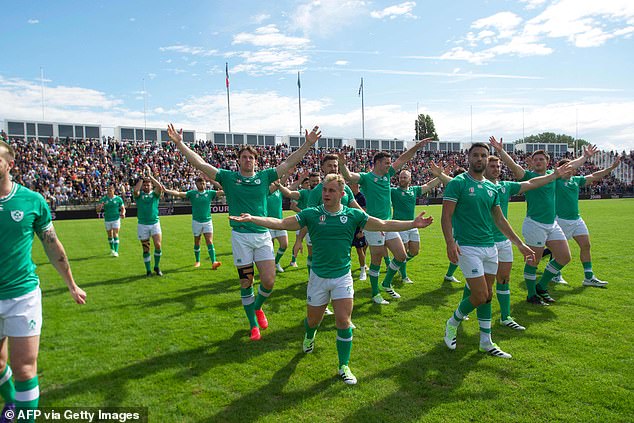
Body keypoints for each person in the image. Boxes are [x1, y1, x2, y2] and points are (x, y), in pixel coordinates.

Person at [230, 174, 434, 384]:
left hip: (342, 278)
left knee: (343, 322)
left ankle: (343, 366)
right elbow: (281, 223)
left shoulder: (353, 215)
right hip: (318, 278)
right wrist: (252, 218)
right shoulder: (312, 214)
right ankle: (310, 336)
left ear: (342, 194)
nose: (326, 194)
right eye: (325, 190)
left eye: (331, 190)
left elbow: (383, 223)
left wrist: (413, 223)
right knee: (313, 321)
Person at [167, 123, 321, 341]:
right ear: (238, 160)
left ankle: (257, 308)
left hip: (262, 234)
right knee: (246, 282)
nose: (248, 160)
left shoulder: (265, 177)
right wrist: (181, 144)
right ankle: (252, 324)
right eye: (244, 157)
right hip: (241, 238)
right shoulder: (229, 178)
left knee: (269, 280)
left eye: (251, 157)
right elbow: (201, 164)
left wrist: (307, 144)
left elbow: (288, 162)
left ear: (256, 161)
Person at [0, 140, 86, 420]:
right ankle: (12, 404)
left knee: (24, 367)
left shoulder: (31, 200)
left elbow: (52, 245)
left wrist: (71, 284)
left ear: (10, 165)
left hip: (21, 295)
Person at [442, 143, 535, 358]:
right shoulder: (458, 183)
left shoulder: (492, 188)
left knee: (487, 295)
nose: (480, 159)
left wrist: (519, 244)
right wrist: (449, 242)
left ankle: (486, 342)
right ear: (469, 158)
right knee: (480, 293)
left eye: (483, 155)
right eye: (476, 155)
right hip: (467, 247)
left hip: (490, 247)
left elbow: (500, 220)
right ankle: (453, 322)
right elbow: (446, 216)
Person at [490, 137, 596, 305]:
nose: (538, 161)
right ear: (531, 162)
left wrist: (585, 157)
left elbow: (572, 166)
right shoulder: (528, 176)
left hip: (552, 224)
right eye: (535, 159)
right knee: (534, 260)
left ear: (548, 162)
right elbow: (514, 167)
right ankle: (531, 294)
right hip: (535, 224)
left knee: (564, 257)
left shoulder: (555, 175)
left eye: (541, 159)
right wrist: (501, 151)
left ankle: (542, 285)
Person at [475, 151, 572, 330]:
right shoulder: (477, 187)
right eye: (492, 166)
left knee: (504, 279)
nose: (496, 169)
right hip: (483, 241)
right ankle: (462, 314)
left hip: (503, 241)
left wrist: (555, 175)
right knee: (481, 286)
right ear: (483, 168)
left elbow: (531, 183)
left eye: (498, 166)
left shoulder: (505, 186)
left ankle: (505, 317)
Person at [339, 139, 432, 304]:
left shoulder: (388, 175)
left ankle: (385, 283)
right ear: (377, 163)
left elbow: (403, 158)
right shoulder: (367, 178)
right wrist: (342, 164)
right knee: (376, 259)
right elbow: (348, 176)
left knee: (401, 255)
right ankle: (375, 293)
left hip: (388, 223)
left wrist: (417, 146)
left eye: (390, 162)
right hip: (373, 224)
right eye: (386, 163)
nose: (390, 165)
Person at [553, 155, 621, 287]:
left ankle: (588, 277)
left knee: (586, 245)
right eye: (567, 168)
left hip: (577, 219)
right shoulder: (556, 180)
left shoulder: (576, 180)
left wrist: (611, 168)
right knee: (559, 251)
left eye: (572, 168)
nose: (571, 170)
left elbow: (595, 175)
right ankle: (556, 275)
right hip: (561, 220)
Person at [390, 169, 442, 284]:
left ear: (410, 179)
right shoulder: (393, 191)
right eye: (400, 177)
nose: (402, 179)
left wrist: (441, 176)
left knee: (415, 251)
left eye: (404, 177)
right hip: (400, 226)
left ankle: (396, 265)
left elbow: (428, 185)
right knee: (402, 253)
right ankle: (404, 276)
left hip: (413, 225)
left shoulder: (414, 190)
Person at [163, 176, 224, 269]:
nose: (202, 185)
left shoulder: (210, 193)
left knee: (209, 241)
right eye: (200, 183)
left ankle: (214, 261)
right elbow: (179, 194)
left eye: (203, 183)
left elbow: (223, 192)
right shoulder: (192, 193)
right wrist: (166, 190)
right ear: (196, 184)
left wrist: (212, 180)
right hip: (196, 221)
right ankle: (197, 261)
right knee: (197, 241)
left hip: (207, 221)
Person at [133, 165, 165, 277]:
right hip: (142, 224)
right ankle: (148, 271)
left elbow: (160, 187)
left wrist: (150, 175)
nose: (146, 186)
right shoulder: (139, 195)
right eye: (145, 185)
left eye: (148, 184)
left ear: (151, 185)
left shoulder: (155, 195)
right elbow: (135, 190)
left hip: (154, 223)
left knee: (158, 245)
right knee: (146, 249)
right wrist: (142, 178)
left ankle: (156, 266)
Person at [289, 172, 320, 267]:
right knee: (299, 241)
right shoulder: (302, 193)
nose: (315, 183)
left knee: (316, 249)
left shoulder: (323, 192)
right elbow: (292, 206)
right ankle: (293, 260)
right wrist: (305, 213)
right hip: (302, 221)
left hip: (317, 224)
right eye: (312, 181)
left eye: (317, 181)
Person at [443, 167, 466, 283]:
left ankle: (449, 275)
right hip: (457, 225)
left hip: (461, 225)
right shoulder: (456, 187)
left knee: (459, 252)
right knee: (460, 251)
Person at [96, 185, 126, 257]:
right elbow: (97, 210)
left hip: (116, 218)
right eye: (108, 190)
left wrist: (123, 213)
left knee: (115, 234)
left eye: (110, 190)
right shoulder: (104, 199)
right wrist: (100, 206)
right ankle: (112, 249)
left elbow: (123, 208)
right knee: (110, 235)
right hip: (107, 219)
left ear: (113, 191)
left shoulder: (118, 199)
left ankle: (116, 251)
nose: (109, 192)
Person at [349, 183, 368, 281]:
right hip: (348, 227)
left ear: (356, 186)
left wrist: (361, 230)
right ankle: (347, 271)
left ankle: (363, 271)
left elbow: (363, 214)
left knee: (359, 250)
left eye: (350, 185)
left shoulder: (361, 197)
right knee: (347, 250)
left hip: (357, 228)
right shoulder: (348, 196)